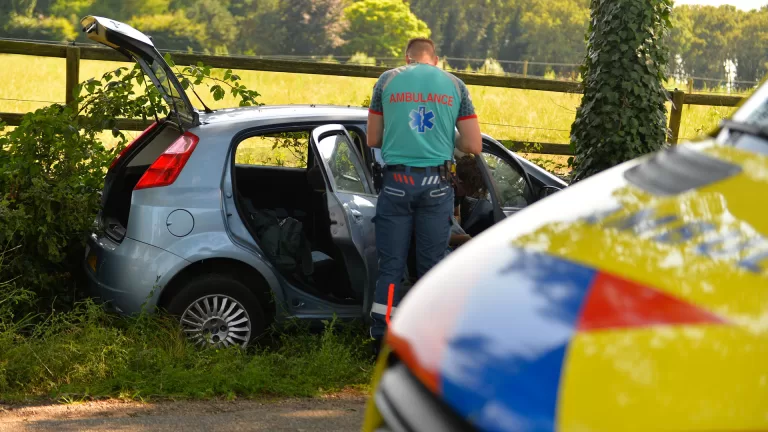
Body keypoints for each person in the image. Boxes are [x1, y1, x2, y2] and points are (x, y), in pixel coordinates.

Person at [366, 38, 482, 350]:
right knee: (431, 267)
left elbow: (373, 138)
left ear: (407, 58)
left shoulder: (387, 80)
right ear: (436, 59)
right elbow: (473, 145)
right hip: (435, 185)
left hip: (396, 183)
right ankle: (427, 342)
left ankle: (382, 340)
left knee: (391, 266)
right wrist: (447, 138)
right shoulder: (454, 85)